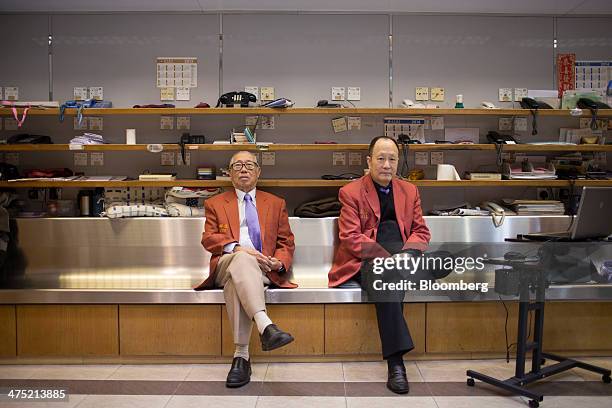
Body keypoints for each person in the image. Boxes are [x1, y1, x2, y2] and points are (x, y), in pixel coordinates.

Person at [328, 136, 431, 394]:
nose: (387, 164)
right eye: (381, 158)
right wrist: (390, 260)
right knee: (388, 277)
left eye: (392, 159)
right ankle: (397, 363)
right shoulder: (350, 192)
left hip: (403, 255)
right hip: (368, 260)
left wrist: (406, 255)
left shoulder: (410, 190)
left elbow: (420, 231)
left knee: (403, 271)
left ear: (398, 162)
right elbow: (351, 238)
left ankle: (414, 268)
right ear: (369, 161)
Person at [194, 151, 297, 388]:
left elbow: (286, 243)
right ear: (229, 173)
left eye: (249, 165)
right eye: (237, 165)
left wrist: (278, 263)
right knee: (240, 258)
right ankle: (265, 325)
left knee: (235, 283)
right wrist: (237, 247)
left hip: (262, 269)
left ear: (258, 172)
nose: (244, 169)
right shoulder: (215, 203)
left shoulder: (275, 203)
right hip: (225, 263)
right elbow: (209, 238)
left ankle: (241, 356)